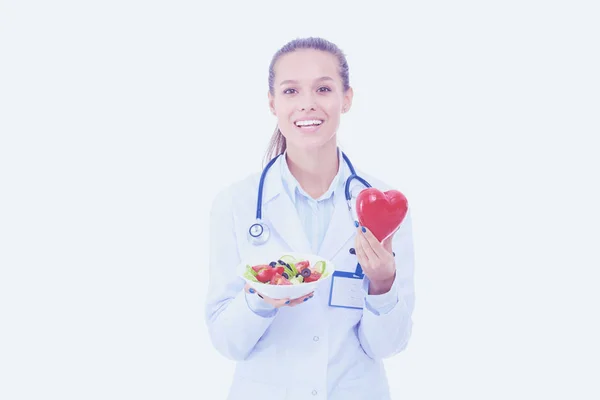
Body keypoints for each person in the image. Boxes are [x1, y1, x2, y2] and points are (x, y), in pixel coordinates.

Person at [205, 37, 415, 400]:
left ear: (346, 98)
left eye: (323, 88)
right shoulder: (235, 204)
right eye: (290, 91)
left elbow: (388, 346)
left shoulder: (383, 205)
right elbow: (227, 343)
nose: (307, 104)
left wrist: (383, 285)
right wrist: (259, 298)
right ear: (272, 103)